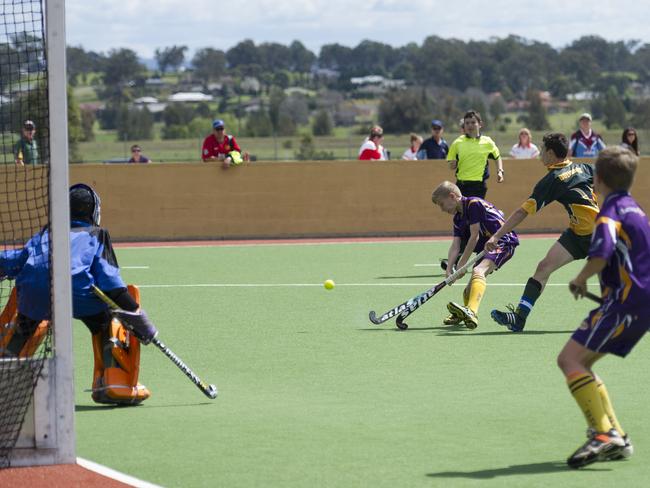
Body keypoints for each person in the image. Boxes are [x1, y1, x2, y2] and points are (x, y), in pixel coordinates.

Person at [0, 184, 158, 405]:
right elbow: (111, 283)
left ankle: (4, 373)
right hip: (77, 294)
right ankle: (113, 382)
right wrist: (137, 316)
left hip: (34, 293)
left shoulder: (45, 233)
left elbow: (16, 260)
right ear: (94, 211)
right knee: (107, 320)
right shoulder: (97, 234)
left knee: (25, 325)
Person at [559, 146, 648, 468]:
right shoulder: (635, 209)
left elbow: (602, 252)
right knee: (584, 363)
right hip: (636, 303)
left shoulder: (609, 213)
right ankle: (616, 436)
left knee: (569, 360)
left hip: (624, 303)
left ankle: (603, 433)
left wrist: (580, 279)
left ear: (597, 179)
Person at [486, 132, 600, 332]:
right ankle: (519, 317)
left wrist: (497, 236)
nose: (539, 154)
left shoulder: (553, 179)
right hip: (577, 235)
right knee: (544, 267)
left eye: (542, 150)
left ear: (550, 153)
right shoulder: (584, 167)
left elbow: (522, 212)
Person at [431, 181, 518, 329]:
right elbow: (455, 245)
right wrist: (449, 269)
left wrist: (461, 266)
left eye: (441, 204)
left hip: (502, 242)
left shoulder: (473, 204)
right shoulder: (458, 218)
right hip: (487, 247)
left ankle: (471, 311)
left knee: (478, 271)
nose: (441, 209)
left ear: (452, 196)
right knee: (468, 290)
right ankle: (464, 313)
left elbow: (474, 237)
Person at [447, 110, 504, 199]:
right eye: (467, 123)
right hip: (461, 185)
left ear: (480, 124)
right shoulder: (457, 143)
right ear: (464, 126)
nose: (470, 125)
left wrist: (500, 171)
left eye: (473, 122)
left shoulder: (487, 142)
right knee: (463, 212)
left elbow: (497, 157)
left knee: (475, 211)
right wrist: (452, 164)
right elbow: (451, 166)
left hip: (479, 186)